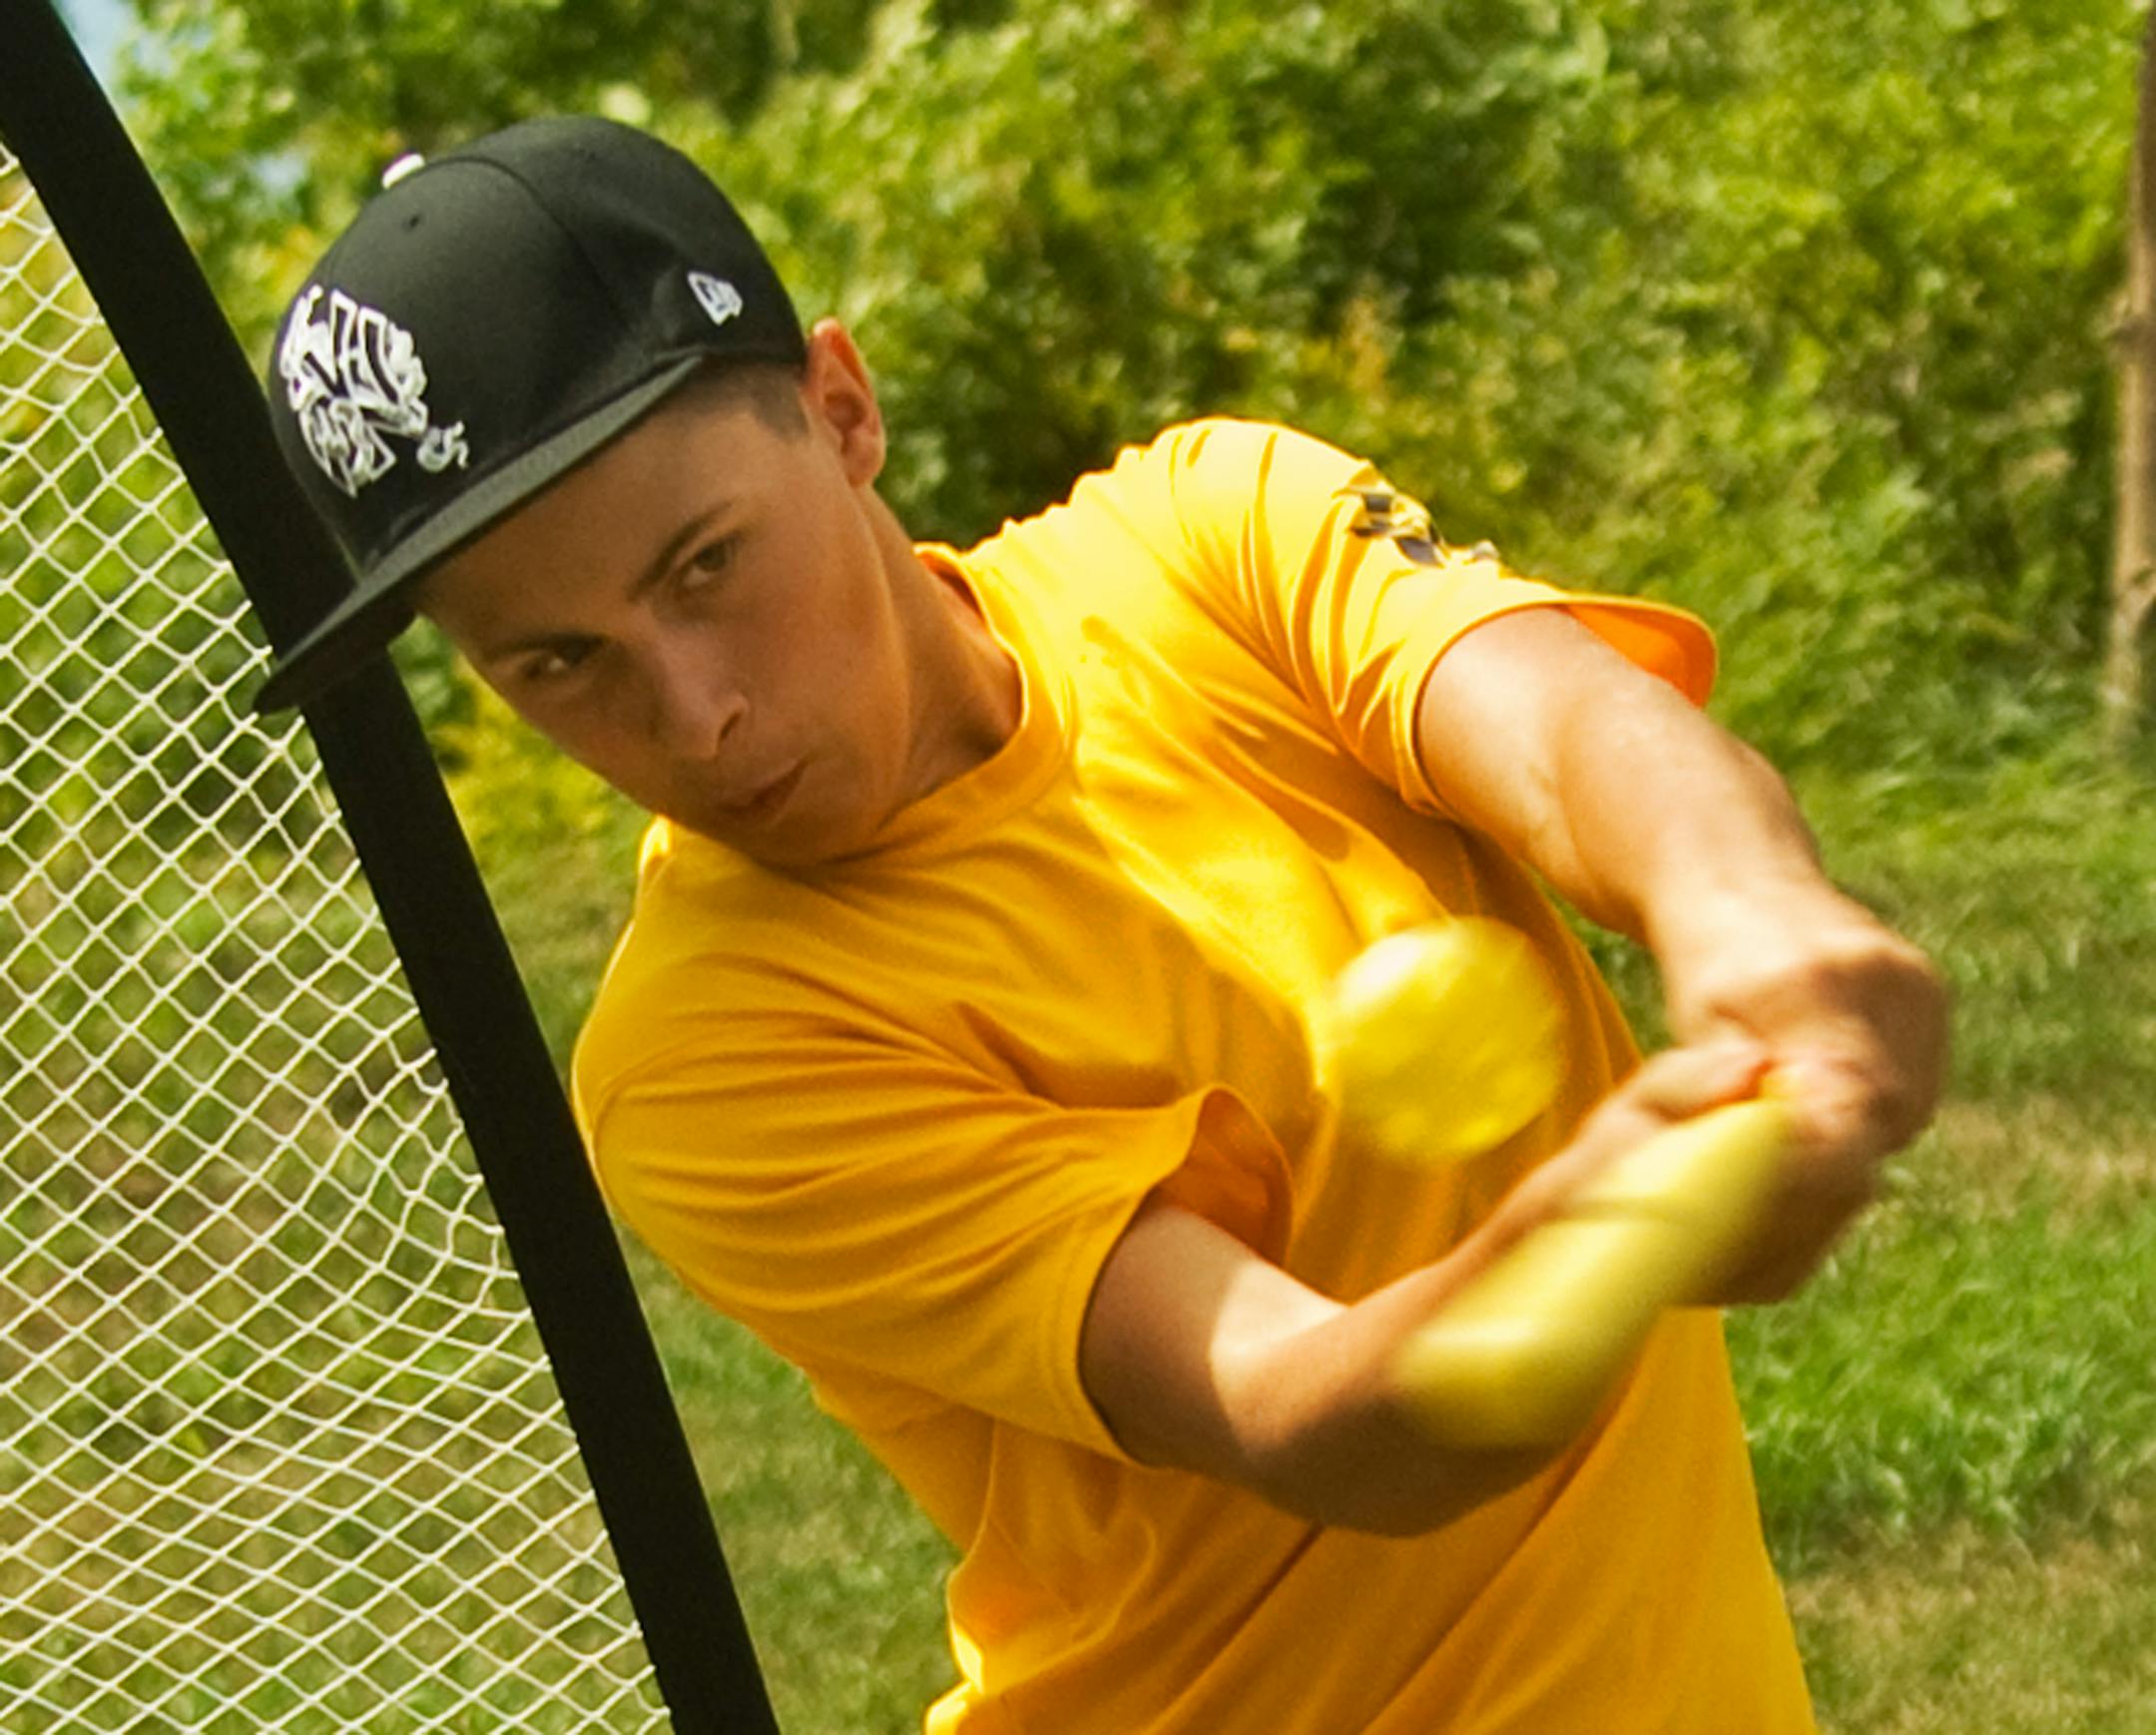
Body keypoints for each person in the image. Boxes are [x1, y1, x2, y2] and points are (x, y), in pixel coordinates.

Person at [257, 116, 1946, 1733]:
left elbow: (1575, 738)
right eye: (558, 664)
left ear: (842, 409)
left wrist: (1752, 920)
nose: (691, 716)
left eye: (703, 564)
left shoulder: (1207, 538)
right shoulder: (710, 1058)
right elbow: (1308, 1410)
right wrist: (1624, 1226)